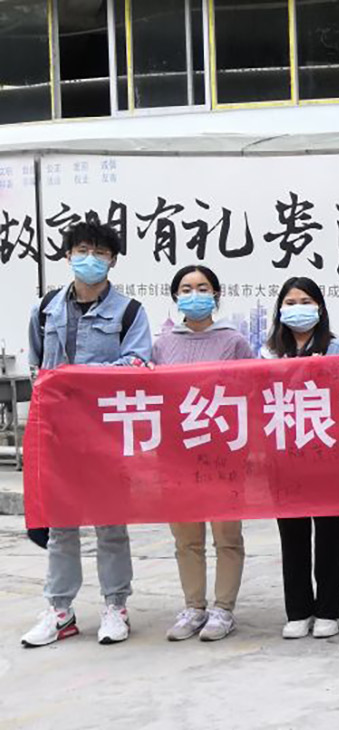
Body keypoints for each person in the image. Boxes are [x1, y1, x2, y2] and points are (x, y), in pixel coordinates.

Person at [20, 216, 152, 648]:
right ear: (68, 256)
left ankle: (116, 606)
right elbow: (39, 365)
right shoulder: (46, 309)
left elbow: (138, 364)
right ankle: (60, 611)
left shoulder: (130, 312)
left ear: (113, 260)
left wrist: (78, 378)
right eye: (82, 251)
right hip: (57, 434)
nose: (90, 259)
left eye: (100, 252)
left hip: (107, 433)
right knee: (61, 525)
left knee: (110, 523)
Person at [153, 265, 254, 642]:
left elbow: (251, 391)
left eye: (202, 287)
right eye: (186, 288)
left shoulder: (234, 341)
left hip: (223, 453)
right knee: (186, 537)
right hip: (177, 454)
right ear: (175, 296)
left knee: (227, 535)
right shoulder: (162, 344)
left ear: (216, 294)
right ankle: (193, 607)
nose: (194, 295)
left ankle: (223, 609)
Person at [261, 277, 339, 640]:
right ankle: (298, 610)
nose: (297, 308)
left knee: (330, 535)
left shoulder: (336, 347)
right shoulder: (268, 350)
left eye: (305, 301)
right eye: (291, 302)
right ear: (280, 308)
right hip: (284, 455)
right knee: (293, 535)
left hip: (327, 453)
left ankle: (328, 609)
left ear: (320, 308)